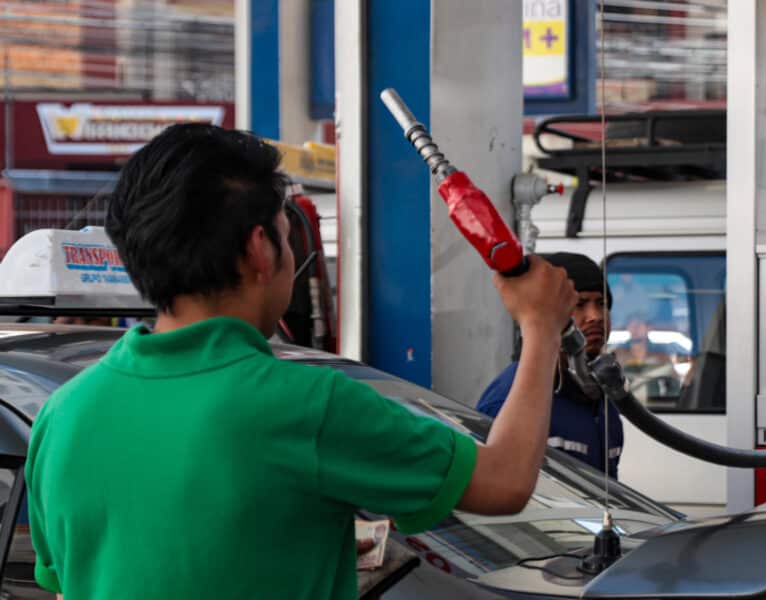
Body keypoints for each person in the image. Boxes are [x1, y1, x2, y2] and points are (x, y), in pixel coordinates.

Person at [25, 123, 577, 599]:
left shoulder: (63, 415)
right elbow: (504, 481)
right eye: (289, 238)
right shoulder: (305, 406)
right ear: (260, 250)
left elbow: (67, 587)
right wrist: (540, 326)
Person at [477, 252, 624, 477]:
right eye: (580, 304)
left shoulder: (601, 398)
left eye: (601, 303)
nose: (595, 316)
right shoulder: (511, 397)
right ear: (551, 312)